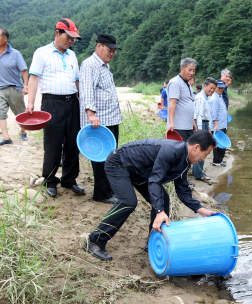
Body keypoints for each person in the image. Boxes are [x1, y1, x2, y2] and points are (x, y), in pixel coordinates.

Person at [83, 131, 217, 261]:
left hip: (140, 173)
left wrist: (200, 209)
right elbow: (155, 181)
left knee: (163, 200)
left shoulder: (186, 161)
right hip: (119, 164)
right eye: (205, 154)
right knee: (128, 202)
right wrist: (159, 211)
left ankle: (153, 242)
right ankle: (94, 241)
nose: (204, 159)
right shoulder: (171, 151)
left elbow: (182, 190)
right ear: (196, 147)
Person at [26, 18, 83, 198]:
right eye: (69, 37)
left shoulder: (72, 55)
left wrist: (81, 101)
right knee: (53, 143)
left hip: (72, 102)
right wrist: (30, 104)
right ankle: (50, 180)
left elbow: (76, 81)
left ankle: (69, 179)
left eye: (74, 38)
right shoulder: (42, 53)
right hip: (51, 103)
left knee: (73, 142)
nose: (71, 41)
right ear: (57, 33)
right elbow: (34, 79)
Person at [79, 34, 122, 204]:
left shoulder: (104, 66)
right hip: (99, 121)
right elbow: (87, 91)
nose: (111, 53)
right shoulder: (90, 65)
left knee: (111, 156)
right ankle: (102, 194)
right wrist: (91, 114)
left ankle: (108, 190)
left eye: (114, 51)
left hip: (110, 119)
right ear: (99, 46)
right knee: (102, 157)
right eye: (109, 49)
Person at [0, 28, 29, 145]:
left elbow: (24, 71)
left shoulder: (15, 53)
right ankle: (6, 138)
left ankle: (23, 132)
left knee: (20, 113)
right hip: (0, 89)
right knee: (0, 112)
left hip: (15, 88)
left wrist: (25, 86)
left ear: (5, 38)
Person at [166, 58, 197, 142]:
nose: (192, 73)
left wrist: (193, 122)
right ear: (182, 68)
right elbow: (172, 104)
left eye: (194, 70)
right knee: (179, 152)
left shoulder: (188, 84)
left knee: (187, 152)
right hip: (178, 127)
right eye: (189, 70)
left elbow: (188, 103)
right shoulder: (175, 82)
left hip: (188, 126)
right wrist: (171, 123)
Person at [193, 77, 217, 181]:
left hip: (205, 124)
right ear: (205, 86)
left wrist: (209, 130)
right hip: (200, 124)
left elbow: (207, 116)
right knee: (202, 149)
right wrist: (200, 130)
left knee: (202, 148)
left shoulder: (207, 98)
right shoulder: (200, 98)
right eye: (211, 88)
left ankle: (196, 171)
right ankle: (198, 174)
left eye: (214, 88)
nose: (212, 90)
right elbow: (198, 114)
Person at [210, 80, 228, 167]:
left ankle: (220, 160)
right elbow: (214, 114)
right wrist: (216, 125)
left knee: (222, 143)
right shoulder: (214, 98)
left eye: (222, 87)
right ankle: (216, 161)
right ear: (215, 88)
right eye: (219, 87)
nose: (221, 89)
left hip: (223, 124)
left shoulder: (220, 96)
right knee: (218, 144)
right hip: (218, 126)